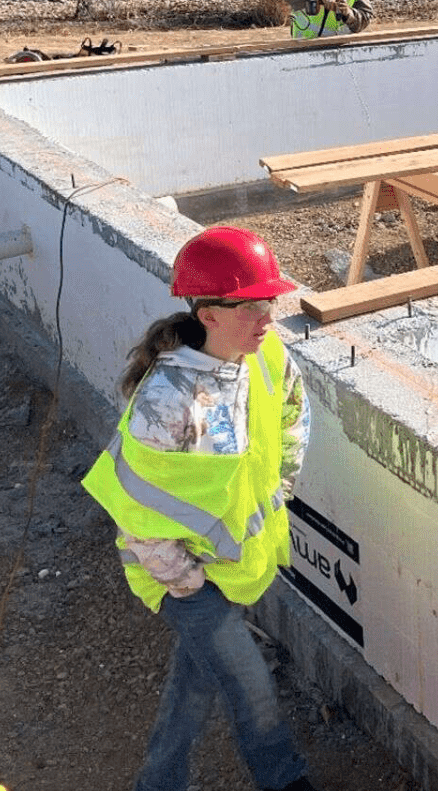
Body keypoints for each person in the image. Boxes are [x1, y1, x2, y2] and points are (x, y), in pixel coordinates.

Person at [82, 226, 319, 791]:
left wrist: (282, 485)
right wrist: (189, 583)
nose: (268, 319)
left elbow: (293, 414)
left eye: (271, 304)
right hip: (184, 579)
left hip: (234, 566)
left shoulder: (268, 356)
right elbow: (136, 512)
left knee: (195, 684)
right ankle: (288, 782)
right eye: (253, 307)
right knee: (253, 692)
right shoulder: (166, 402)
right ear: (209, 313)